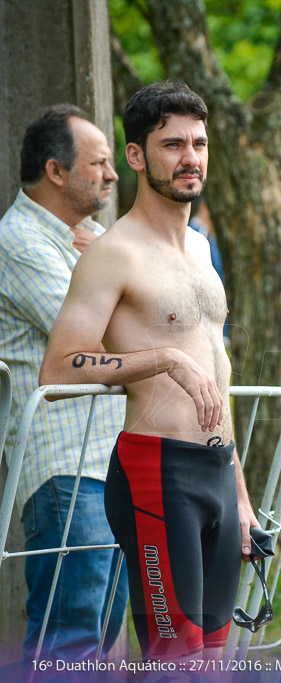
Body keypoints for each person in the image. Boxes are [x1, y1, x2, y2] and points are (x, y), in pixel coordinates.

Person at [39, 80, 260, 660]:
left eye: (199, 143)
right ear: (135, 156)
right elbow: (57, 370)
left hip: (216, 471)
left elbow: (220, 372)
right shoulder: (115, 252)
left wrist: (238, 494)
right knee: (173, 657)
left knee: (211, 658)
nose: (190, 157)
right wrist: (163, 359)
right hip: (157, 472)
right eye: (172, 144)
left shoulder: (202, 249)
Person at [0, 105, 128, 663]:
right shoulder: (20, 243)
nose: (113, 173)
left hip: (110, 461)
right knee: (69, 636)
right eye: (99, 162)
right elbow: (96, 339)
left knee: (101, 633)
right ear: (56, 171)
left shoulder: (91, 238)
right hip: (65, 467)